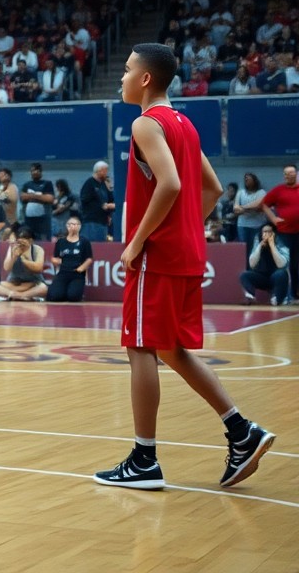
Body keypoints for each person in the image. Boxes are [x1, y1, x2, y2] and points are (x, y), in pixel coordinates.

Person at [94, 43, 274, 490]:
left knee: (140, 348)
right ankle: (241, 431)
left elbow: (172, 184)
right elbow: (210, 188)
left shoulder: (145, 123)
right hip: (187, 253)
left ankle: (144, 459)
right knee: (172, 348)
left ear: (146, 79)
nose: (121, 77)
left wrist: (137, 241)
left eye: (127, 69)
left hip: (157, 256)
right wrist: (185, 227)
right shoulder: (185, 126)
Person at [261, 164, 298, 304]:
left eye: (291, 173)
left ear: (296, 174)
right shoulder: (279, 190)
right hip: (285, 233)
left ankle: (295, 294)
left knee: (296, 265)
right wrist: (273, 219)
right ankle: (285, 295)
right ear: (284, 176)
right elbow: (264, 204)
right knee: (285, 265)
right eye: (286, 173)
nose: (289, 175)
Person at [0, 227, 47, 302]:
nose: (21, 244)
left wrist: (23, 258)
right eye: (19, 240)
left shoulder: (37, 249)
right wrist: (14, 257)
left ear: (31, 241)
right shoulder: (13, 249)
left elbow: (38, 268)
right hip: (16, 283)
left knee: (43, 288)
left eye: (24, 240)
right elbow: (7, 268)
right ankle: (22, 295)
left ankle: (17, 295)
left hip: (33, 282)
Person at [239, 224, 290, 306]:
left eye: (269, 232)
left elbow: (281, 264)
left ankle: (277, 298)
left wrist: (272, 245)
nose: (267, 234)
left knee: (282, 273)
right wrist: (260, 246)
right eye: (265, 232)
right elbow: (252, 264)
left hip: (276, 277)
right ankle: (250, 296)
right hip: (262, 277)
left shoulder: (280, 242)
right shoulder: (257, 239)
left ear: (274, 233)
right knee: (244, 275)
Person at [47, 216, 93, 302]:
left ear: (79, 226)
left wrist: (82, 268)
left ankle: (75, 292)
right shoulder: (60, 242)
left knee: (73, 297)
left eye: (76, 224)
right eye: (71, 224)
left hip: (77, 274)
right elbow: (55, 257)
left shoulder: (84, 241)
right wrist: (55, 261)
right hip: (63, 272)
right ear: (67, 226)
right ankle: (62, 291)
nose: (73, 226)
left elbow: (89, 258)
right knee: (55, 296)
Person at [234, 173, 267, 263]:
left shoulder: (262, 192)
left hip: (257, 226)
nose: (246, 180)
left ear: (254, 180)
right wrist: (251, 208)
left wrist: (243, 208)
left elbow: (258, 205)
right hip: (242, 225)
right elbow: (235, 208)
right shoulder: (241, 192)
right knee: (244, 250)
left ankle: (255, 270)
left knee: (255, 249)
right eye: (245, 179)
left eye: (248, 179)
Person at [79, 161, 116, 242]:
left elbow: (111, 199)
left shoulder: (103, 184)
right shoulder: (89, 183)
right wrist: (101, 205)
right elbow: (84, 199)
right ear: (100, 171)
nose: (107, 173)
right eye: (106, 171)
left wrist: (108, 212)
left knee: (101, 246)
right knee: (92, 245)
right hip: (91, 221)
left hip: (103, 222)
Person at [20, 163, 55, 240]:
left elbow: (49, 199)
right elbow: (23, 197)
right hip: (29, 220)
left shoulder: (47, 184)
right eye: (32, 170)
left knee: (44, 241)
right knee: (28, 240)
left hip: (43, 220)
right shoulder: (27, 185)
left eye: (36, 170)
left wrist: (32, 196)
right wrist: (40, 197)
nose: (34, 172)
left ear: (41, 172)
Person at [0, 167, 19, 237]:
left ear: (10, 176)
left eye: (6, 174)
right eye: (2, 175)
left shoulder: (13, 187)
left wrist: (0, 195)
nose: (5, 176)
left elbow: (13, 198)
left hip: (10, 221)